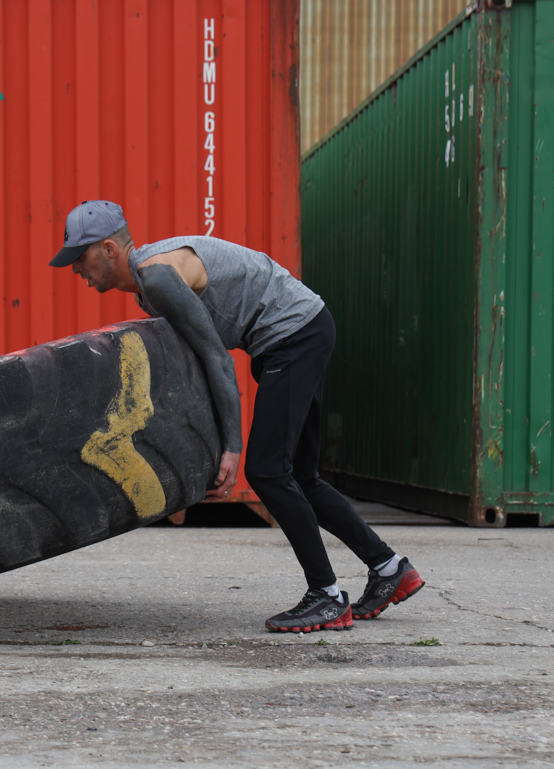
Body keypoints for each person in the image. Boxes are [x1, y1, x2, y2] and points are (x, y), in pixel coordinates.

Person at [49, 199, 424, 633]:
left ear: (110, 249)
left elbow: (218, 360)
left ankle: (326, 596)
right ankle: (390, 568)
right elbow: (198, 369)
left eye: (81, 257)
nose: (76, 269)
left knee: (266, 472)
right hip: (303, 330)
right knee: (300, 475)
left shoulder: (157, 277)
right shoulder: (152, 284)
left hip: (292, 335)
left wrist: (231, 446)